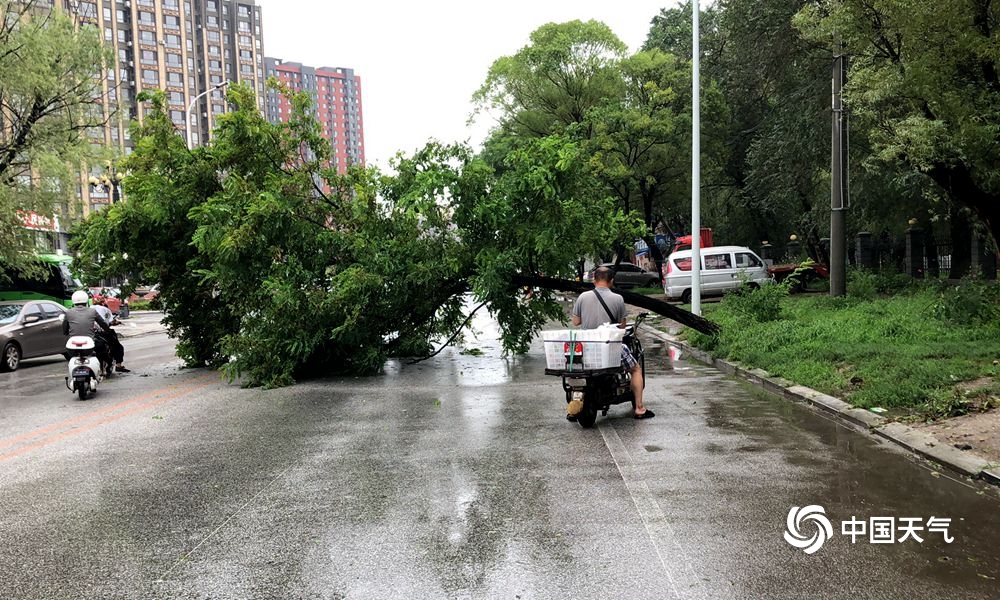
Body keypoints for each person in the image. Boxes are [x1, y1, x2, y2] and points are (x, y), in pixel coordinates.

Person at [571, 266, 654, 420]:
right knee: (635, 369)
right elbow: (622, 326)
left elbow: (576, 321)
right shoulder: (617, 298)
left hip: (587, 346)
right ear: (611, 281)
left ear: (594, 280)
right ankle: (640, 408)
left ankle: (574, 406)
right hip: (610, 347)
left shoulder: (582, 297)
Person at [63, 290, 114, 375]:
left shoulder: (68, 312)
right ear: (86, 300)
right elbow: (102, 323)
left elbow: (65, 327)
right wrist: (107, 330)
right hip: (90, 342)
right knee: (102, 347)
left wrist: (66, 333)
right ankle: (105, 366)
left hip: (73, 344)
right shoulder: (92, 311)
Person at [92, 297, 130, 373]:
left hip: (90, 334)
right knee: (118, 347)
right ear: (103, 302)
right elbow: (109, 322)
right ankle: (118, 365)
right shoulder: (105, 309)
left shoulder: (88, 309)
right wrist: (116, 323)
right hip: (103, 333)